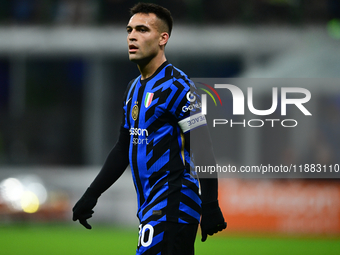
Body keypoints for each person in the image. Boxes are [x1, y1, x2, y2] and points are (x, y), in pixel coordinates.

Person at [72, 3, 226, 254]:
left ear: (163, 38)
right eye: (129, 29)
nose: (132, 36)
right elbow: (124, 147)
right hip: (150, 209)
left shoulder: (178, 87)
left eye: (142, 30)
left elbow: (203, 147)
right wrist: (92, 194)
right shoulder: (133, 88)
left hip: (173, 205)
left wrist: (210, 204)